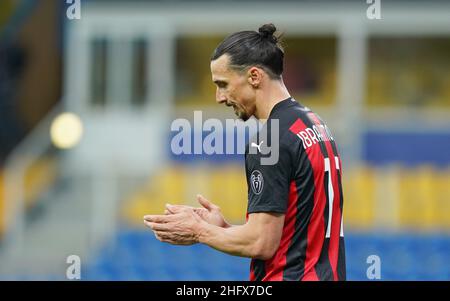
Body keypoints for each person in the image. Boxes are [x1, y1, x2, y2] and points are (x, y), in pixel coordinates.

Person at [144, 23, 346, 281]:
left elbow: (261, 243)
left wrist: (198, 231)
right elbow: (287, 231)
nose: (219, 97)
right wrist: (222, 228)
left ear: (254, 76)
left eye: (223, 84)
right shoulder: (315, 124)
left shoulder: (269, 141)